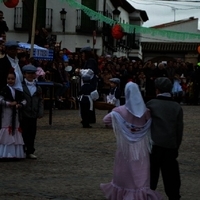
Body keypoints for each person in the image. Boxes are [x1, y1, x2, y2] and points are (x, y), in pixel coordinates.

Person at [100, 81, 163, 200]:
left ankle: (124, 192)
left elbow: (106, 120)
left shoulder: (119, 111)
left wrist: (122, 126)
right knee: (141, 171)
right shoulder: (146, 111)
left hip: (125, 146)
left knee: (124, 171)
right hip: (141, 146)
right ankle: (140, 193)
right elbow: (150, 124)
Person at [146, 77, 183, 200]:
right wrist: (176, 145)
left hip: (154, 146)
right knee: (171, 176)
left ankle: (148, 195)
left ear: (157, 90)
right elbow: (179, 129)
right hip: (170, 145)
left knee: (151, 175)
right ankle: (174, 196)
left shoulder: (151, 104)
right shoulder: (176, 106)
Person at [0, 70, 26, 159]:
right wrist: (8, 104)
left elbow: (24, 100)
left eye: (12, 79)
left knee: (15, 130)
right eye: (9, 79)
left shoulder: (18, 91)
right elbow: (0, 100)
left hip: (16, 114)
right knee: (7, 130)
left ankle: (15, 153)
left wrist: (19, 105)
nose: (10, 80)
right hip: (6, 114)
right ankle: (5, 153)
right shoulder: (4, 89)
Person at [20, 64, 44, 159]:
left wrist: (40, 111)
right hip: (24, 113)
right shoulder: (21, 86)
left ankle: (30, 150)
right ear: (24, 74)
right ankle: (22, 150)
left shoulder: (37, 87)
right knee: (23, 133)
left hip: (33, 114)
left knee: (32, 133)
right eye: (28, 73)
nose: (30, 75)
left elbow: (40, 100)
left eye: (32, 73)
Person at [80, 46, 98, 123]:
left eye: (83, 53)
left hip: (90, 84)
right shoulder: (88, 61)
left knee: (89, 101)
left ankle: (89, 118)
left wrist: (80, 71)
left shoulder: (91, 61)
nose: (82, 55)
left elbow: (89, 72)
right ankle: (87, 117)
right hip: (88, 83)